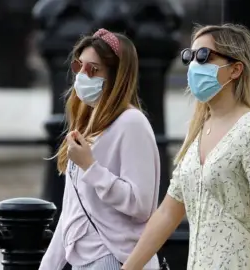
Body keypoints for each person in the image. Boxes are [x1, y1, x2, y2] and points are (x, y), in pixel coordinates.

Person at [122, 23, 250, 270]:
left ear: (236, 69)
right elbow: (168, 212)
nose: (194, 65)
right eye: (190, 57)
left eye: (204, 56)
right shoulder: (198, 129)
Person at [39, 28, 160, 270]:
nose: (82, 75)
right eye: (79, 66)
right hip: (83, 261)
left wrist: (91, 167)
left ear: (116, 76)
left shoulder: (132, 123)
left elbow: (141, 204)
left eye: (93, 69)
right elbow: (73, 211)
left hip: (113, 257)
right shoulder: (88, 124)